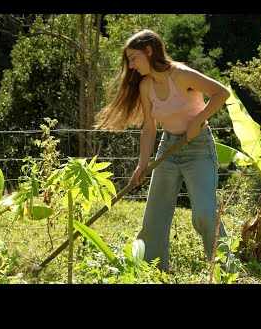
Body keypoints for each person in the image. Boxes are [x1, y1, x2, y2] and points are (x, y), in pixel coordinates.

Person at [94, 29, 231, 273]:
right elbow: (149, 127)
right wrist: (141, 165)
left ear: (149, 51)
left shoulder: (182, 75)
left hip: (198, 149)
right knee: (154, 217)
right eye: (129, 60)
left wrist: (198, 120)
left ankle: (224, 271)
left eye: (133, 58)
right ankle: (152, 272)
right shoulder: (147, 86)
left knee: (205, 214)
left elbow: (222, 93)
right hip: (167, 147)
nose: (131, 66)